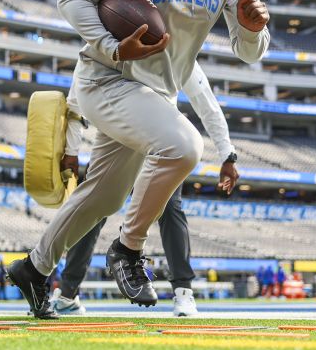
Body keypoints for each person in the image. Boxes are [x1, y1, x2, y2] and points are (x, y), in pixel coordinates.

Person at [7, 0, 269, 319]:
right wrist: (111, 44)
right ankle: (128, 250)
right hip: (104, 80)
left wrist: (252, 28)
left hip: (154, 95)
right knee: (184, 146)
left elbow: (250, 55)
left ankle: (33, 268)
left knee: (105, 197)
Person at [50, 61, 240, 318]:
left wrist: (227, 153)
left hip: (159, 144)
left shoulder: (177, 50)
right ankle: (67, 294)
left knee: (171, 210)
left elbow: (205, 102)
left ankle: (183, 292)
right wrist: (71, 151)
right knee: (93, 208)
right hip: (118, 139)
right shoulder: (111, 45)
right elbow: (76, 99)